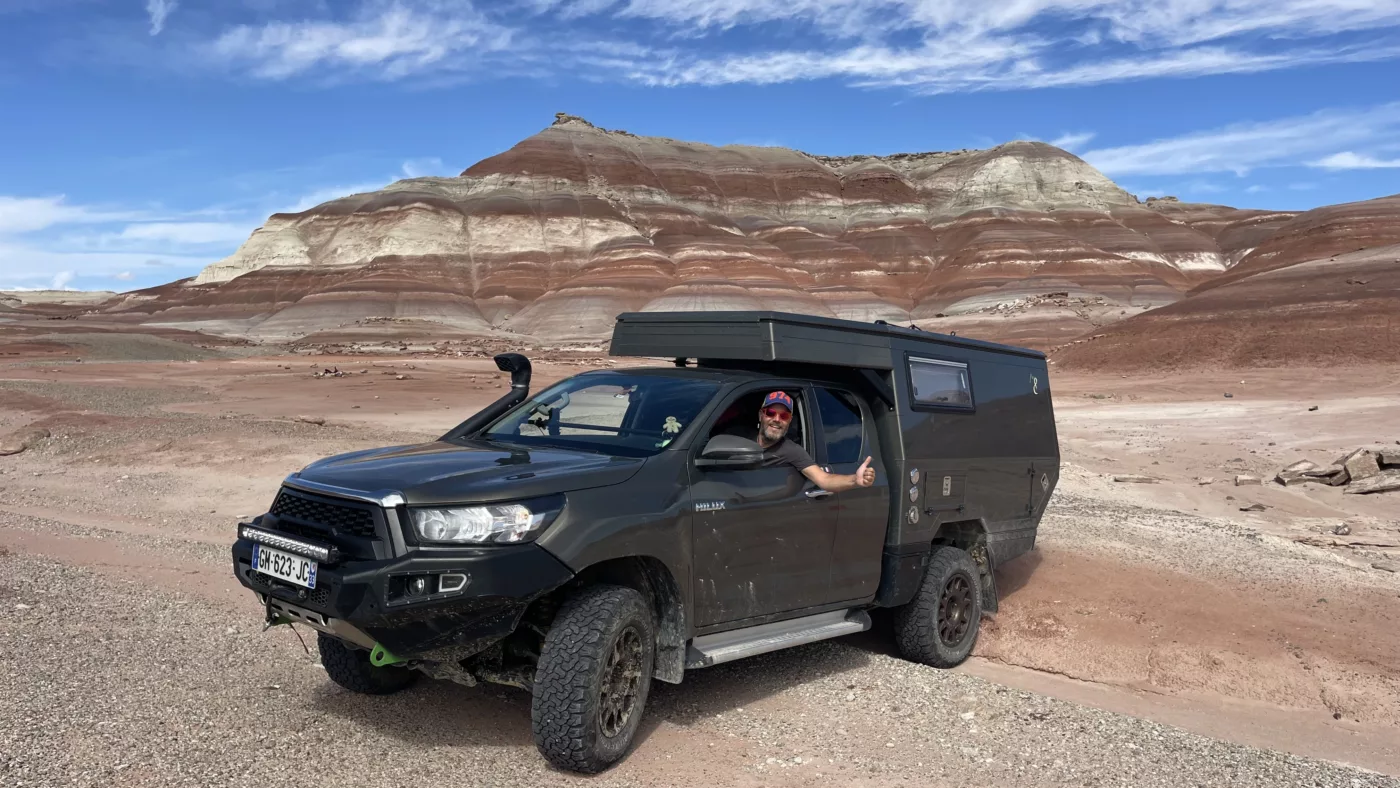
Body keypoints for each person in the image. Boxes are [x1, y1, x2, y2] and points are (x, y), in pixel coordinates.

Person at [753, 391, 876, 492]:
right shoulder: (741, 437)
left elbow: (824, 479)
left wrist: (855, 479)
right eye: (771, 413)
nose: (777, 419)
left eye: (784, 416)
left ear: (789, 421)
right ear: (760, 415)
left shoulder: (792, 450)